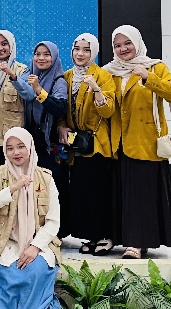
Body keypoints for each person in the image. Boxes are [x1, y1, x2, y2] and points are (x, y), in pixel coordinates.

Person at [103, 25, 171, 259]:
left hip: (145, 142)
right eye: (117, 45)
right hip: (117, 144)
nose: (123, 49)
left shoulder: (155, 67)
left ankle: (137, 244)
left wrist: (149, 78)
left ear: (137, 43)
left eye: (127, 43)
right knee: (121, 195)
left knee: (142, 195)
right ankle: (122, 238)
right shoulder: (109, 72)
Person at [0, 127, 61, 309]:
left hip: (39, 243)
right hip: (5, 243)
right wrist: (13, 188)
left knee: (37, 271)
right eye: (10, 148)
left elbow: (53, 221)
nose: (15, 152)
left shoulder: (45, 178)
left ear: (30, 147)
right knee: (13, 274)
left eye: (21, 146)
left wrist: (35, 247)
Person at [56, 33, 116, 256]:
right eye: (77, 49)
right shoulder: (67, 76)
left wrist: (96, 89)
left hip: (96, 143)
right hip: (76, 145)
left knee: (97, 191)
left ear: (94, 53)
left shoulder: (102, 75)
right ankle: (91, 236)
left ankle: (104, 236)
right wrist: (61, 126)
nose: (80, 54)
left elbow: (108, 111)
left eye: (86, 50)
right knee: (81, 192)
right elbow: (62, 109)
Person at [23, 41, 69, 238]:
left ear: (54, 57)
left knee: (53, 188)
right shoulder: (27, 76)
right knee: (33, 189)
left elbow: (59, 107)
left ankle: (57, 233)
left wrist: (38, 89)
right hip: (30, 145)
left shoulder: (59, 81)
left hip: (50, 146)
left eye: (46, 54)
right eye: (37, 54)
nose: (41, 58)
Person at [0, 30, 35, 168]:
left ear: (11, 46)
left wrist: (12, 74)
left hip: (12, 137)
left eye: (4, 44)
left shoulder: (22, 70)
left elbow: (30, 95)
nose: (0, 48)